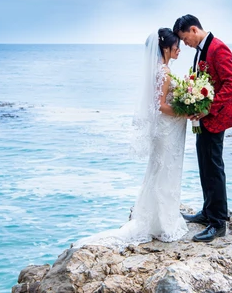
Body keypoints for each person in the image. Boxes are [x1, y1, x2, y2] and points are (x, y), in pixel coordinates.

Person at [73, 28, 188, 250]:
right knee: (165, 172)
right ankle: (164, 223)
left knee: (161, 172)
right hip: (167, 130)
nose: (179, 50)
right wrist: (185, 111)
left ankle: (158, 218)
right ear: (166, 48)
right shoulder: (163, 73)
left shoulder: (160, 70)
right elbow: (161, 106)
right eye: (176, 47)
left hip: (167, 131)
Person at [173, 14, 232, 242]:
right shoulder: (201, 50)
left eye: (185, 39)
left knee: (214, 167)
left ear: (194, 30)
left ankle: (218, 222)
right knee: (205, 165)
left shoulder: (218, 48)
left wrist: (208, 108)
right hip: (203, 119)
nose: (185, 44)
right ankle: (208, 211)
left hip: (216, 117)